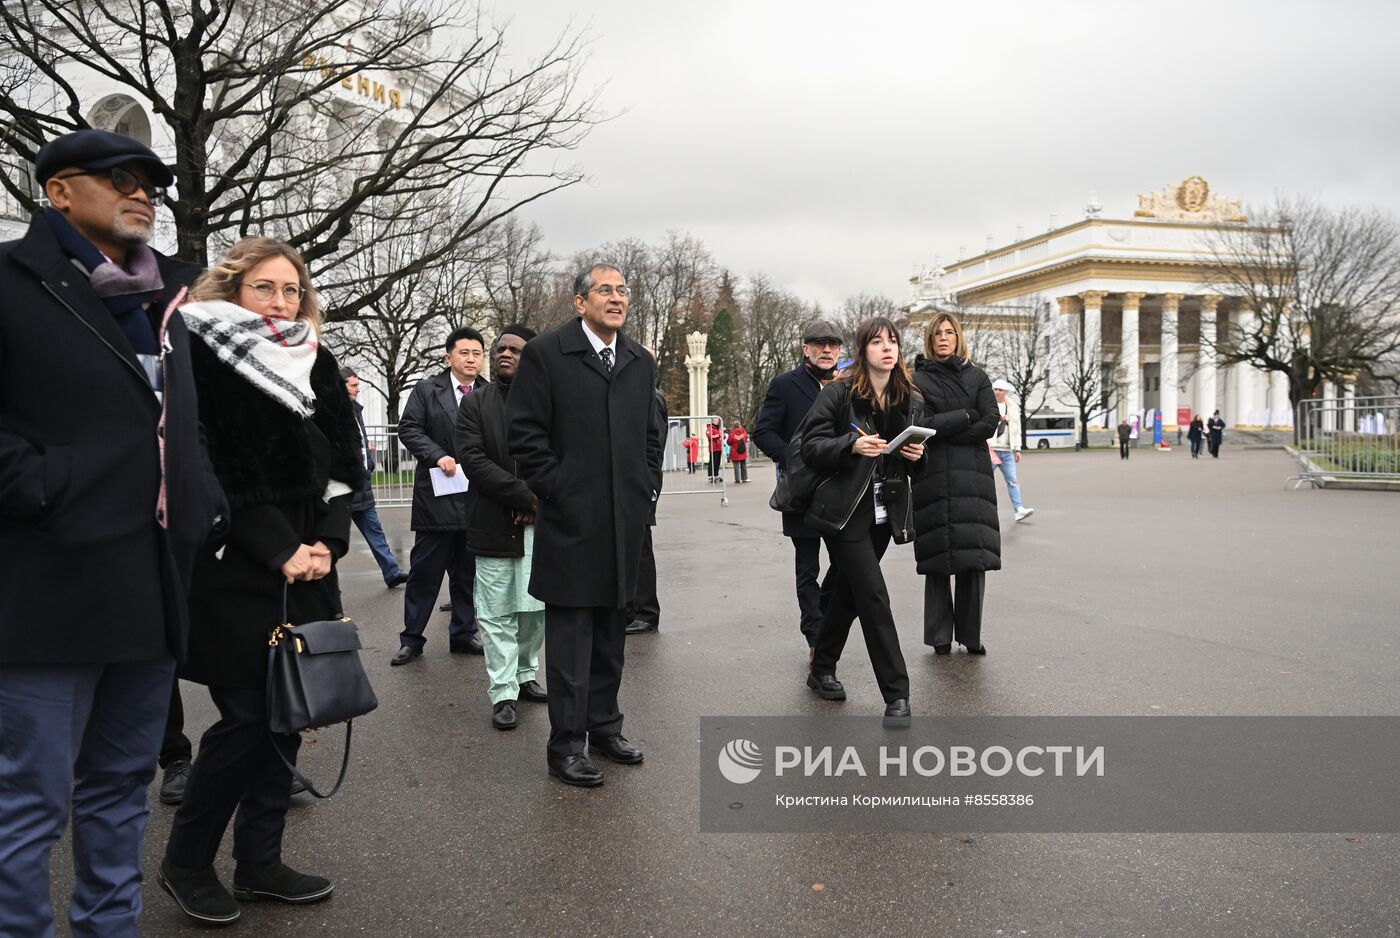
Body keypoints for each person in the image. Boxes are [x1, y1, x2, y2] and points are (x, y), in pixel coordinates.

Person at [0, 129, 226, 937]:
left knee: (122, 786)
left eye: (149, 183)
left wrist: (202, 502)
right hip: (46, 585)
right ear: (58, 191)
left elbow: (185, 423)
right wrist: (48, 487)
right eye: (118, 177)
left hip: (150, 587)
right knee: (28, 799)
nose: (141, 193)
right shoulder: (11, 280)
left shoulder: (171, 297)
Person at [160, 237, 362, 924]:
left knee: (289, 715)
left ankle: (260, 862)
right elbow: (212, 464)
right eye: (265, 288)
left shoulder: (316, 358)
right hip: (237, 563)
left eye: (291, 290)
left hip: (311, 564)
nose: (281, 302)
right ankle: (187, 862)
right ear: (233, 288)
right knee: (248, 718)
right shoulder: (199, 349)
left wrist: (329, 541)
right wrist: (280, 548)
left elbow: (345, 463)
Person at [507, 263, 663, 788]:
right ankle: (567, 745)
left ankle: (605, 728)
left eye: (622, 291)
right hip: (572, 522)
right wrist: (559, 489)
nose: (616, 298)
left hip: (623, 522)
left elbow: (651, 435)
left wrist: (645, 487)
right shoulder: (546, 354)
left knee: (611, 638)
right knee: (572, 642)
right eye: (605, 290)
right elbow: (525, 435)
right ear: (580, 302)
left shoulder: (639, 360)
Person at [801, 318, 926, 724]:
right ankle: (897, 694)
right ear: (862, 350)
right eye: (877, 342)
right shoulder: (838, 393)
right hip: (844, 512)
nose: (887, 348)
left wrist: (916, 457)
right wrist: (851, 445)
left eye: (893, 341)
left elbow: (914, 463)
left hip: (884, 512)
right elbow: (810, 447)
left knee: (848, 594)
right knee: (873, 594)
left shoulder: (908, 397)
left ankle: (822, 666)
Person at [455, 325, 549, 731]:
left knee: (535, 610)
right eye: (501, 348)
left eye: (516, 349)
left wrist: (538, 499)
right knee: (496, 614)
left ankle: (526, 674)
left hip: (540, 524)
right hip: (492, 522)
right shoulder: (475, 403)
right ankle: (503, 691)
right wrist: (523, 496)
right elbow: (473, 459)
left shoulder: (549, 401)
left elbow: (559, 454)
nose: (505, 354)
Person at [392, 327, 487, 664]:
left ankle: (463, 633)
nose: (471, 359)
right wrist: (437, 455)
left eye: (477, 354)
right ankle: (412, 639)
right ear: (449, 357)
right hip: (437, 498)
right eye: (464, 353)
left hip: (475, 500)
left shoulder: (489, 393)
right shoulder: (427, 390)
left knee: (468, 575)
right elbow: (409, 428)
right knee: (424, 573)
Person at [754, 320, 845, 657]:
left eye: (833, 344)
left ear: (840, 351)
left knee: (845, 564)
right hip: (801, 490)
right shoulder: (785, 385)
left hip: (841, 489)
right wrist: (793, 460)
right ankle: (815, 637)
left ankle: (820, 613)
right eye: (819, 344)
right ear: (806, 348)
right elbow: (763, 431)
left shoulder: (848, 385)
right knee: (808, 567)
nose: (827, 350)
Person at [911, 312, 1001, 656]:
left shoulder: (978, 376)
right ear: (930, 339)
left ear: (958, 337)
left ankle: (971, 635)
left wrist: (948, 431)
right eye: (938, 333)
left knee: (973, 557)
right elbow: (921, 424)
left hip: (974, 476)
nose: (944, 338)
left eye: (949, 332)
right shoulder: (917, 380)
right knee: (938, 559)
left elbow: (990, 421)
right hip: (934, 475)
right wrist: (965, 416)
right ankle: (939, 636)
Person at [342, 367, 408, 587]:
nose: (358, 389)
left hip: (362, 484)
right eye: (353, 385)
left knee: (375, 532)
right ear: (341, 386)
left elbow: (361, 441)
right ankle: (323, 586)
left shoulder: (356, 410)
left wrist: (369, 464)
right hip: (343, 487)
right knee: (331, 538)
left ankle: (392, 573)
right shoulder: (332, 412)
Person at [626, 387, 668, 635]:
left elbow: (653, 446)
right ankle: (633, 610)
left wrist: (649, 486)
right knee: (633, 549)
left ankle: (645, 612)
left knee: (640, 550)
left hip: (640, 484)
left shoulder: (651, 396)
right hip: (634, 484)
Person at [990, 379, 1034, 521]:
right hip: (991, 449)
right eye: (995, 389)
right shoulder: (987, 404)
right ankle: (985, 509)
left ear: (1006, 392)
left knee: (1013, 481)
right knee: (986, 481)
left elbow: (1016, 430)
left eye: (1000, 390)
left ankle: (1019, 509)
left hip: (1007, 451)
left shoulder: (1013, 407)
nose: (997, 392)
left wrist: (1017, 449)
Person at [705, 416, 724, 482]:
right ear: (712, 421)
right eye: (715, 420)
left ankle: (716, 475)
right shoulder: (709, 428)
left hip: (719, 448)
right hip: (713, 448)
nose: (717, 422)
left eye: (717, 421)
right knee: (712, 463)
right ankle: (710, 476)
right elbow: (710, 436)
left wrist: (722, 435)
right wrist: (718, 435)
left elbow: (722, 436)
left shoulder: (718, 428)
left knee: (717, 463)